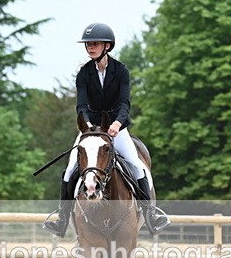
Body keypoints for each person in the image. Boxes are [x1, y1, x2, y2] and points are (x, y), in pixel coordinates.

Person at [43, 22, 170, 238]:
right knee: (71, 168)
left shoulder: (120, 71)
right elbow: (81, 105)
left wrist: (117, 123)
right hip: (91, 131)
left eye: (94, 44)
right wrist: (86, 124)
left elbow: (124, 104)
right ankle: (62, 218)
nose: (90, 47)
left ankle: (150, 214)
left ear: (107, 46)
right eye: (88, 44)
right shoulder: (83, 74)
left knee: (137, 166)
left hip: (116, 129)